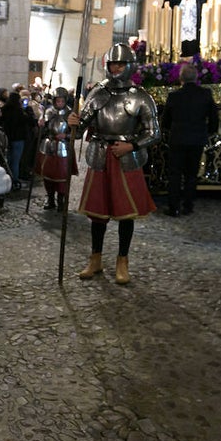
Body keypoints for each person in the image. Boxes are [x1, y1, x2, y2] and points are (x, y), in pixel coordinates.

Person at [68, 43, 160, 285]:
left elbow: (154, 132)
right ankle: (95, 259)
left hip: (126, 158)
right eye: (112, 64)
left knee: (125, 214)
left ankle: (122, 261)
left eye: (120, 63)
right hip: (99, 156)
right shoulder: (97, 93)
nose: (116, 68)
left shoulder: (141, 96)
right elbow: (79, 131)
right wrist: (73, 122)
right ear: (106, 66)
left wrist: (131, 145)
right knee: (97, 214)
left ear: (130, 66)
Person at [161, 63, 218, 217]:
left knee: (175, 174)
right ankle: (188, 206)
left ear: (180, 78)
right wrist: (209, 132)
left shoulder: (174, 96)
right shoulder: (205, 94)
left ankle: (174, 207)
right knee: (191, 174)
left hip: (177, 139)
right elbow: (214, 117)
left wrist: (167, 129)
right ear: (196, 77)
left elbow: (165, 120)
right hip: (197, 139)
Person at [35, 87, 76, 210]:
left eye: (62, 101)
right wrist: (41, 125)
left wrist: (67, 135)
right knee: (48, 176)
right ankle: (50, 199)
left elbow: (77, 133)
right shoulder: (48, 112)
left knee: (63, 177)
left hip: (64, 148)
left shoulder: (70, 113)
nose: (60, 104)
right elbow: (42, 132)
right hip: (49, 147)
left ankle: (61, 201)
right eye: (57, 101)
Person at [1, 89, 33, 191]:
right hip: (18, 138)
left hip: (7, 137)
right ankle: (15, 180)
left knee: (9, 159)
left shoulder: (4, 109)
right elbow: (27, 121)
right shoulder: (19, 110)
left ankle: (8, 179)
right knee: (16, 161)